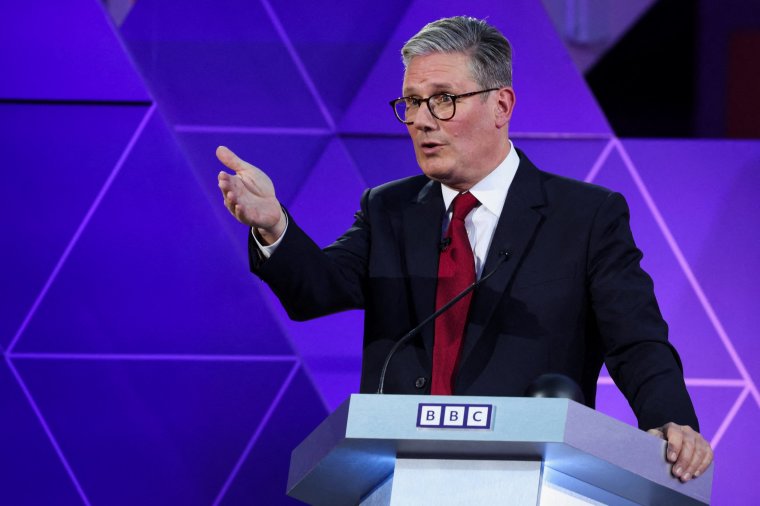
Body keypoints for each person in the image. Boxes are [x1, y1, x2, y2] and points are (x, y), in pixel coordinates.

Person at [217, 16, 713, 481]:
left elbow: (635, 340)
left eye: (444, 99)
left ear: (501, 106)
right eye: (411, 102)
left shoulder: (585, 216)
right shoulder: (389, 209)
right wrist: (274, 224)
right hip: (400, 475)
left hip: (530, 475)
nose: (422, 120)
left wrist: (672, 421)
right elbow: (317, 291)